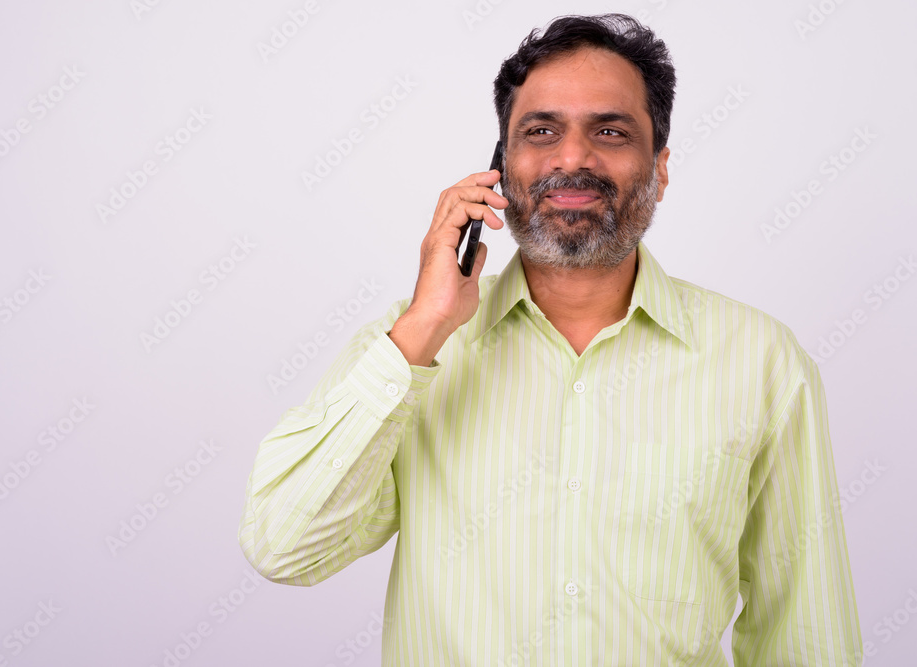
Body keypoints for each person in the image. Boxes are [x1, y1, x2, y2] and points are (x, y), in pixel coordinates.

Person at [239, 13, 864, 665]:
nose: (572, 158)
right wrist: (424, 327)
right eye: (541, 131)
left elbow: (807, 630)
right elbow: (283, 547)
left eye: (611, 131)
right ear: (500, 168)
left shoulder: (763, 361)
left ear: (661, 166)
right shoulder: (412, 349)